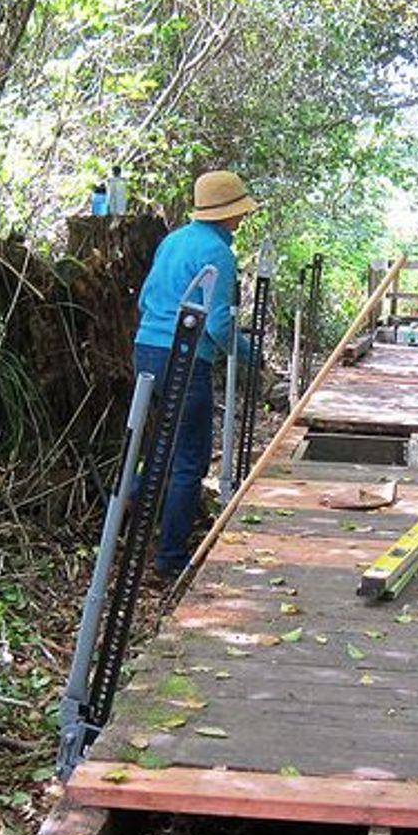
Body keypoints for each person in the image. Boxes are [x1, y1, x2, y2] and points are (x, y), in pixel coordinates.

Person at [134, 170, 258, 576]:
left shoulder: (173, 240)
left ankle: (126, 530)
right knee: (190, 460)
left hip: (146, 351)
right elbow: (219, 323)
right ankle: (169, 558)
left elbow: (146, 299)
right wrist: (249, 356)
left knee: (159, 450)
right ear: (229, 214)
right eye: (239, 212)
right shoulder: (218, 252)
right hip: (183, 358)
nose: (242, 219)